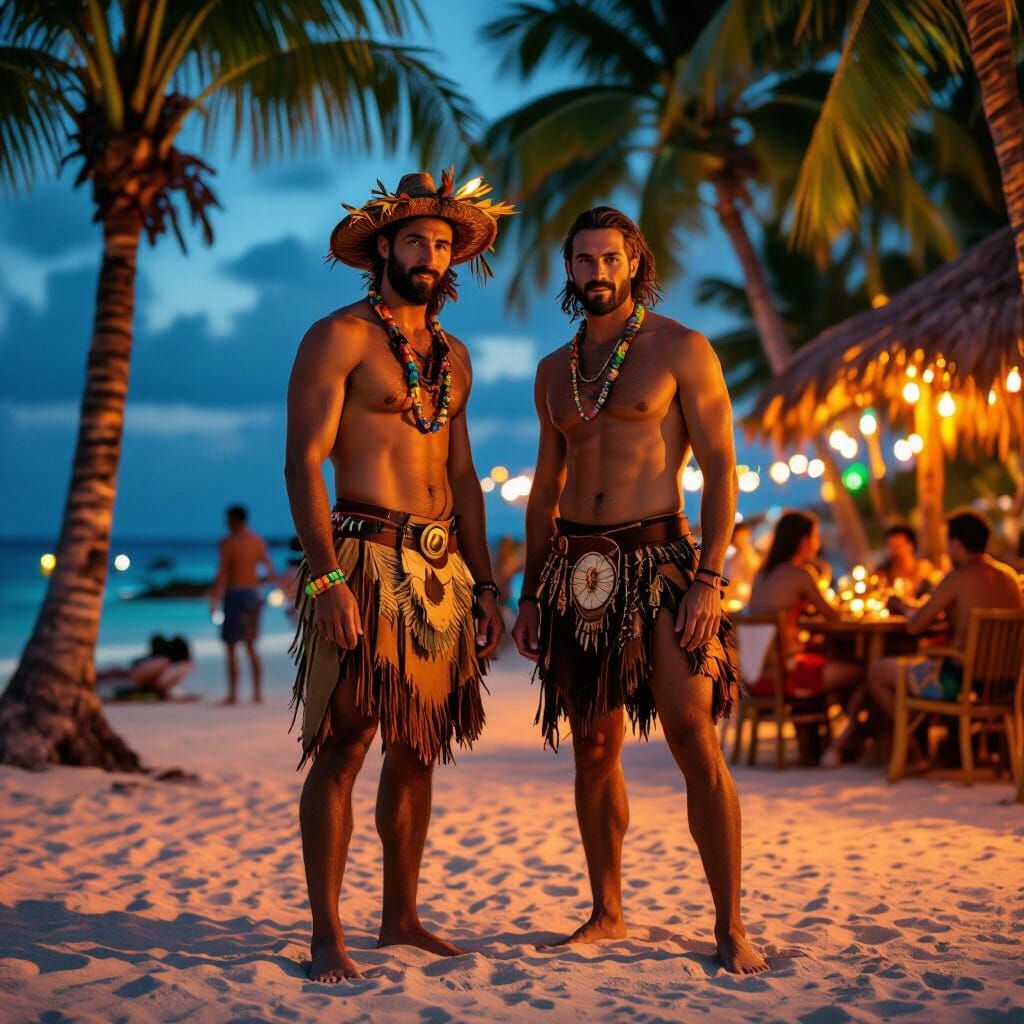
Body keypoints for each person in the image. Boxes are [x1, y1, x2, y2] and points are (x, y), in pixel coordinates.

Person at [511, 206, 766, 975]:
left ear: (634, 263)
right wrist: (530, 592)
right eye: (584, 259)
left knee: (693, 734)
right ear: (569, 269)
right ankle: (607, 910)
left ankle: (730, 924)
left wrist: (711, 578)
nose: (597, 272)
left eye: (610, 258)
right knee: (593, 746)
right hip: (576, 568)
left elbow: (720, 469)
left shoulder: (681, 349)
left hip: (660, 560)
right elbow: (544, 486)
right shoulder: (554, 371)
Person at [285, 169, 510, 982]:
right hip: (363, 555)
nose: (430, 255)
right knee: (344, 742)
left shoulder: (454, 357)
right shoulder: (338, 336)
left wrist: (488, 585)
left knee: (418, 746)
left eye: (443, 244)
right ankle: (326, 933)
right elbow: (302, 461)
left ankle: (401, 916)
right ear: (384, 248)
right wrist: (325, 580)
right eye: (416, 240)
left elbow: (466, 476)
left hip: (440, 567)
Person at [863, 509, 1023, 767]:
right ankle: (946, 748)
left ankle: (915, 753)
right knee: (924, 666)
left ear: (956, 544)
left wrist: (902, 606)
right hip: (1006, 683)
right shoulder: (1010, 578)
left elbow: (915, 626)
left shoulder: (958, 578)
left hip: (959, 683)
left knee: (877, 671)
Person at [747, 512, 864, 766]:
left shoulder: (762, 574)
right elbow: (833, 615)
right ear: (803, 541)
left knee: (825, 658)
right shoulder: (801, 574)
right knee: (863, 672)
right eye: (816, 536)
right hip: (789, 675)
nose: (818, 543)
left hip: (757, 673)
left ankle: (826, 743)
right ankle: (844, 743)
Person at [210, 505, 278, 705]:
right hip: (252, 595)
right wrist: (258, 584)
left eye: (228, 518)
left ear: (234, 519)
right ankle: (257, 693)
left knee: (231, 646)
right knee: (250, 646)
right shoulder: (257, 541)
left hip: (235, 595)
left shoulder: (227, 542)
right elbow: (270, 572)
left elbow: (223, 572)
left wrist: (214, 599)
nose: (225, 522)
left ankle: (233, 695)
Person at [96, 634, 195, 701]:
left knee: (106, 675)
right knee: (104, 676)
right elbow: (158, 685)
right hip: (130, 679)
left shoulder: (164, 662)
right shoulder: (165, 662)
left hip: (128, 677)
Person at [875, 523, 935, 598]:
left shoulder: (925, 569)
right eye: (890, 547)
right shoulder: (883, 574)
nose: (893, 552)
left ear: (911, 546)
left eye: (897, 547)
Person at [723, 520, 760, 607]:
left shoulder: (749, 554)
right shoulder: (732, 554)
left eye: (745, 535)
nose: (742, 538)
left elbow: (755, 573)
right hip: (735, 595)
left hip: (745, 596)